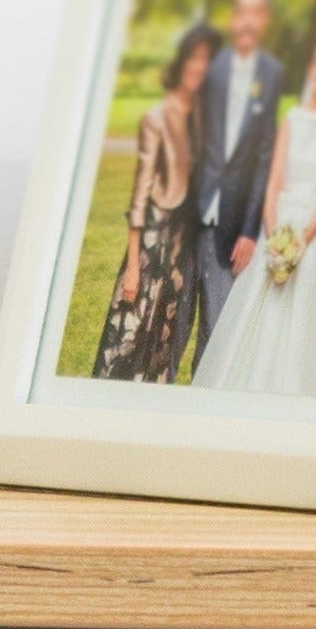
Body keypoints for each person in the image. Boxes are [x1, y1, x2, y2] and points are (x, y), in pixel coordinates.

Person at [186, 22, 316, 398]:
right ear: (310, 69)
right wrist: (275, 233)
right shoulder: (292, 118)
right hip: (279, 221)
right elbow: (274, 180)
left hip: (313, 228)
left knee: (303, 306)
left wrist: (303, 238)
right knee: (262, 303)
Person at [92, 22, 214, 382]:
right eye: (194, 59)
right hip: (150, 244)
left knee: (161, 344)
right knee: (128, 340)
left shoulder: (200, 118)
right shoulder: (156, 118)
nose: (198, 68)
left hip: (180, 251)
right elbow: (140, 195)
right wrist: (133, 266)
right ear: (181, 63)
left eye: (206, 62)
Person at [175, 0, 281, 379]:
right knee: (174, 322)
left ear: (265, 19)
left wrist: (250, 231)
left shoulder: (270, 74)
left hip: (232, 225)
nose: (248, 21)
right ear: (235, 17)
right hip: (189, 214)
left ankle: (201, 398)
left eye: (257, 13)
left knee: (215, 328)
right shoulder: (212, 67)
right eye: (243, 12)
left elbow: (264, 157)